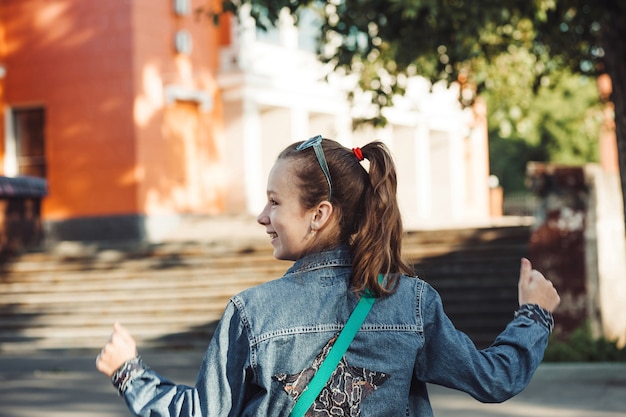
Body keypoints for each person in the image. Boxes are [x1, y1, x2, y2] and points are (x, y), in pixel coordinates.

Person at [96, 135, 560, 416]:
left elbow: (201, 412)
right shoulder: (412, 303)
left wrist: (128, 372)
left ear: (318, 214)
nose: (262, 216)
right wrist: (534, 314)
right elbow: (495, 379)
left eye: (274, 202)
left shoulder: (251, 313)